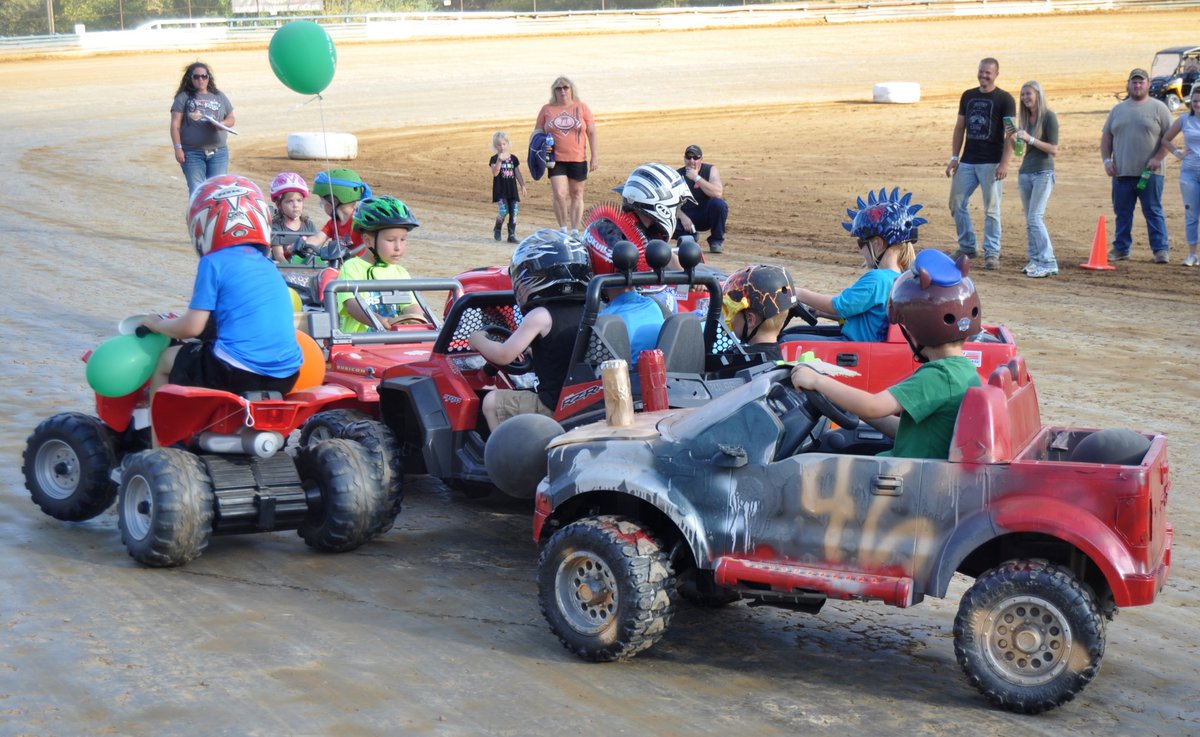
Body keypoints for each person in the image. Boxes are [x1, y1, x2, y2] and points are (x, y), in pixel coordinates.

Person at [141, 175, 302, 444]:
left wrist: (157, 324)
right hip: (287, 374)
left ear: (203, 224)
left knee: (165, 361)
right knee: (211, 353)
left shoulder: (213, 262)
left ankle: (160, 446)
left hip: (236, 371)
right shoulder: (268, 264)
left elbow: (191, 327)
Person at [790, 249, 982, 460]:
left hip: (903, 478)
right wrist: (849, 406)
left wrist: (817, 380)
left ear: (916, 330)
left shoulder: (938, 376)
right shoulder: (963, 372)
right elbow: (907, 432)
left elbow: (874, 406)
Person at [468, 229, 591, 430]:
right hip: (580, 402)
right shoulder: (590, 309)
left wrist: (477, 339)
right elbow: (561, 350)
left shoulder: (540, 316)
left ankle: (500, 458)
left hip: (551, 406)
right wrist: (533, 352)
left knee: (490, 402)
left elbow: (503, 355)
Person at [791, 187, 925, 343]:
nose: (859, 249)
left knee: (787, 341)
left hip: (854, 347)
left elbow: (839, 306)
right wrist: (821, 313)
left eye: (861, 242)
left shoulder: (877, 279)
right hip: (868, 346)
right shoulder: (899, 280)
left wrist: (797, 292)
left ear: (878, 244)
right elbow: (864, 315)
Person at [945, 57, 1016, 271]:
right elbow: (960, 128)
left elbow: (1011, 133)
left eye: (988, 73)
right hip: (968, 160)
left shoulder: (1005, 99)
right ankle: (967, 246)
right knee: (956, 202)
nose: (984, 75)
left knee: (992, 210)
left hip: (991, 163)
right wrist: (954, 157)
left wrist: (1004, 163)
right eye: (981, 71)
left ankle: (992, 252)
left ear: (996, 74)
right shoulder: (968, 96)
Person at [1101, 68, 1173, 263]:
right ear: (1128, 84)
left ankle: (1160, 250)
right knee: (1122, 213)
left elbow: (1170, 138)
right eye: (1134, 82)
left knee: (1153, 211)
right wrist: (1107, 161)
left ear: (1148, 84)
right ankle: (1121, 248)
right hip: (1122, 173)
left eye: (1141, 82)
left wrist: (1157, 158)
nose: (1137, 85)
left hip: (1150, 174)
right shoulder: (1118, 110)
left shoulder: (1160, 108)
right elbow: (1106, 137)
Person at [335, 196, 427, 334]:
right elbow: (350, 305)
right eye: (391, 240)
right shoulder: (352, 267)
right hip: (358, 344)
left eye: (403, 239)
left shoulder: (400, 273)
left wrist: (415, 319)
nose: (398, 247)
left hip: (393, 341)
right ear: (368, 241)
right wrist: (377, 319)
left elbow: (411, 305)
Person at [533, 76, 598, 236]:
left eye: (565, 87)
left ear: (571, 89)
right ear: (554, 91)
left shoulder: (581, 107)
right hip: (555, 159)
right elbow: (537, 131)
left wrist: (594, 156)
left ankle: (575, 230)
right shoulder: (547, 109)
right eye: (558, 88)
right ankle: (562, 228)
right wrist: (537, 149)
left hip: (578, 158)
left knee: (577, 194)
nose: (562, 91)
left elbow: (591, 132)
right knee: (559, 193)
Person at [1009, 81, 1060, 278]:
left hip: (1043, 172)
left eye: (1028, 94)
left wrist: (1030, 138)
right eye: (1022, 95)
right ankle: (1035, 259)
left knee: (1035, 217)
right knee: (1030, 220)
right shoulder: (1026, 119)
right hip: (1026, 172)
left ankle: (1048, 261)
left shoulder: (1049, 117)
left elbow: (1053, 149)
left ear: (1038, 94)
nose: (1025, 98)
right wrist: (1013, 139)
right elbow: (1020, 152)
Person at [1149, 85, 1200, 267]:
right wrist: (1178, 153)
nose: (1198, 104)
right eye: (1194, 101)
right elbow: (1165, 139)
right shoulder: (1185, 120)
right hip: (1189, 172)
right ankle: (1193, 254)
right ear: (1190, 102)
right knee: (1191, 214)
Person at [169, 62, 235, 195]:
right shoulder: (184, 98)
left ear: (208, 78)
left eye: (204, 76)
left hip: (218, 152)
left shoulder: (219, 96)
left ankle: (215, 216)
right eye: (196, 77)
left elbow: (231, 118)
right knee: (197, 191)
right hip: (192, 153)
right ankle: (196, 216)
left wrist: (222, 124)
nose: (201, 80)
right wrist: (178, 148)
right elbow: (175, 125)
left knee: (218, 191)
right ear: (190, 79)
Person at [721, 264, 799, 362]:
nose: (727, 318)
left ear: (750, 319)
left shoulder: (733, 360)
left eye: (730, 312)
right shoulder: (777, 357)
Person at [675, 144, 729, 254]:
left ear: (701, 159)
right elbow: (668, 202)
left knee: (719, 204)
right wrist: (682, 216)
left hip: (705, 214)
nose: (691, 161)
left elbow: (717, 193)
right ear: (684, 159)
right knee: (662, 220)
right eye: (688, 157)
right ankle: (689, 238)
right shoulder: (676, 175)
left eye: (695, 158)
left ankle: (716, 241)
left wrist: (696, 177)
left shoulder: (710, 170)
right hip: (685, 217)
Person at [306, 168, 371, 257]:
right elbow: (318, 238)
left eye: (323, 202)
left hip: (358, 268)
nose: (323, 206)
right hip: (339, 267)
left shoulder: (360, 221)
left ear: (333, 201)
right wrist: (304, 244)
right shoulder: (333, 223)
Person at [268, 172, 317, 264]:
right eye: (289, 201)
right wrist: (292, 271)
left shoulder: (308, 225)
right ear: (279, 205)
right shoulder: (276, 227)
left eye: (299, 200)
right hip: (284, 271)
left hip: (305, 270)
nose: (295, 205)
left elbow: (313, 251)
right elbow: (279, 256)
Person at [489, 131, 527, 244]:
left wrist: (523, 185)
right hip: (501, 190)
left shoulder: (513, 159)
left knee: (514, 211)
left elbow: (517, 173)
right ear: (496, 146)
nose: (502, 147)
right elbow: (495, 173)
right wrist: (499, 160)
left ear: (507, 144)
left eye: (504, 144)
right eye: (499, 145)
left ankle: (511, 235)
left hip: (512, 190)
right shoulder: (494, 159)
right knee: (503, 211)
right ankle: (497, 227)